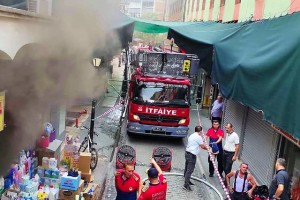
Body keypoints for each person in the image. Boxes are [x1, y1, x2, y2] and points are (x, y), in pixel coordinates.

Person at [183, 126, 207, 191]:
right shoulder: (198, 137)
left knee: (187, 167)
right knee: (190, 169)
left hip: (187, 153)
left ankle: (187, 179)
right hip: (192, 155)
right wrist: (209, 149)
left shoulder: (192, 135)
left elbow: (198, 143)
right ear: (200, 131)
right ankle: (186, 185)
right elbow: (202, 146)